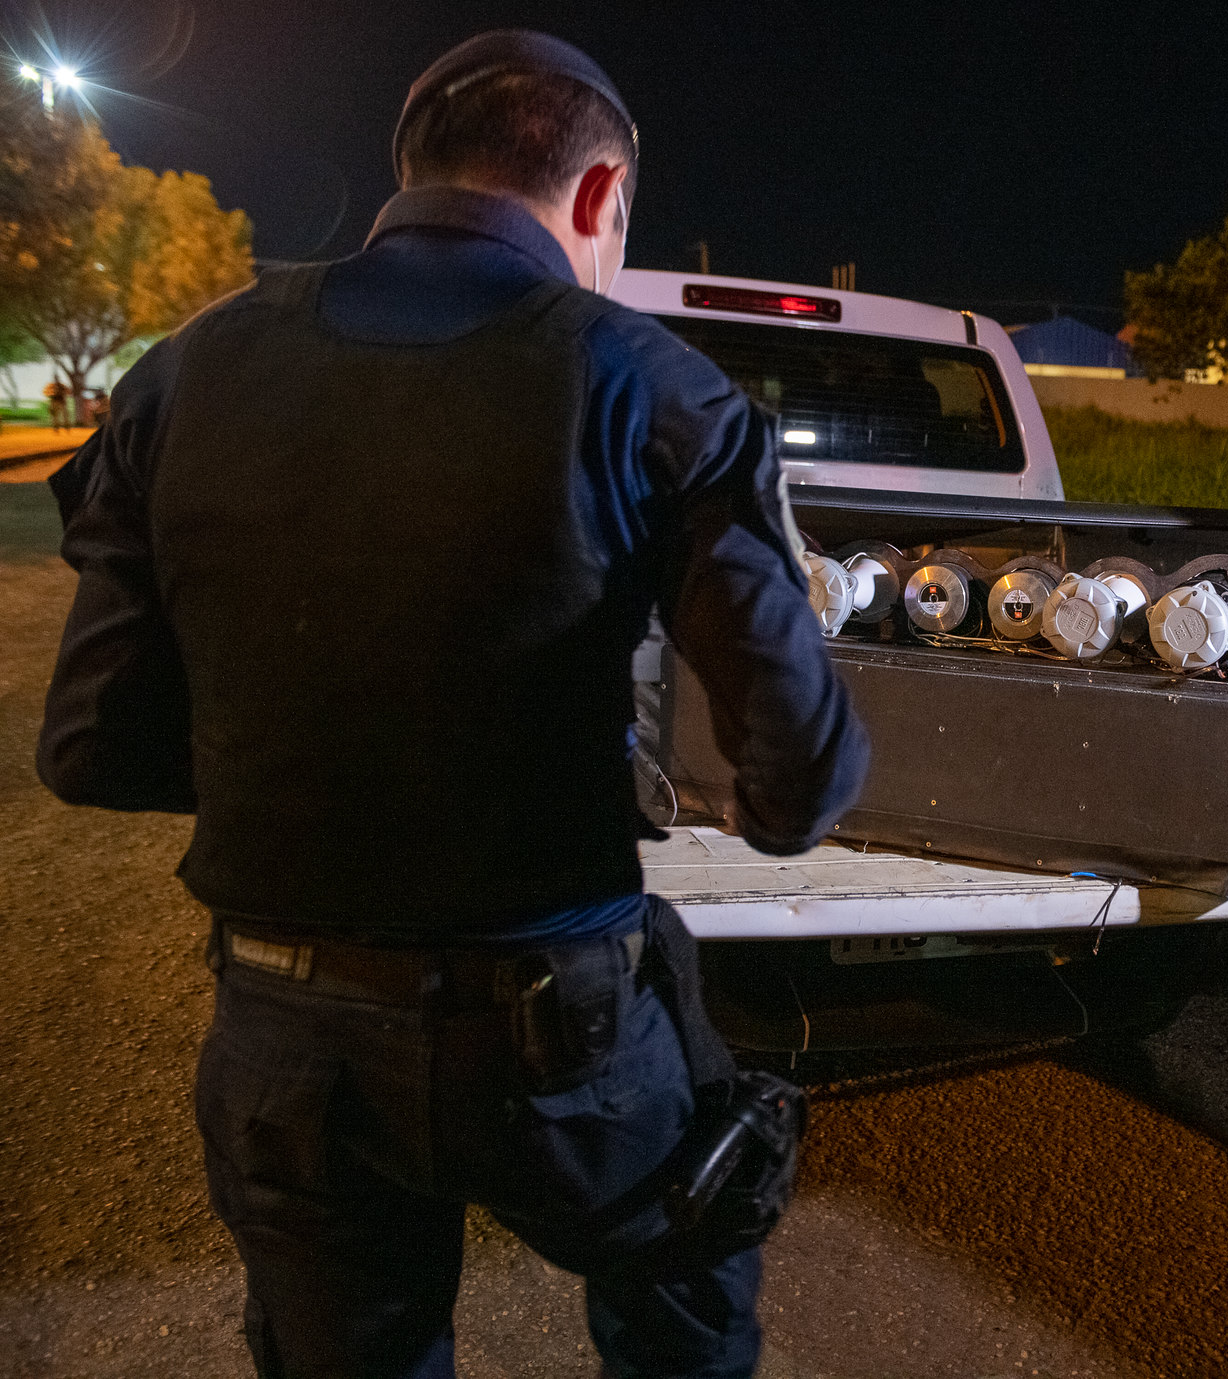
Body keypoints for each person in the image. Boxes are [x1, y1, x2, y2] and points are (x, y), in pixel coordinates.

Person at [37, 30, 868, 1379]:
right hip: (561, 1039)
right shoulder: (653, 385)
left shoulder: (183, 374)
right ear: (599, 200)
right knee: (688, 1290)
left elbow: (89, 744)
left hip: (287, 1030)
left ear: (406, 170)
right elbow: (803, 781)